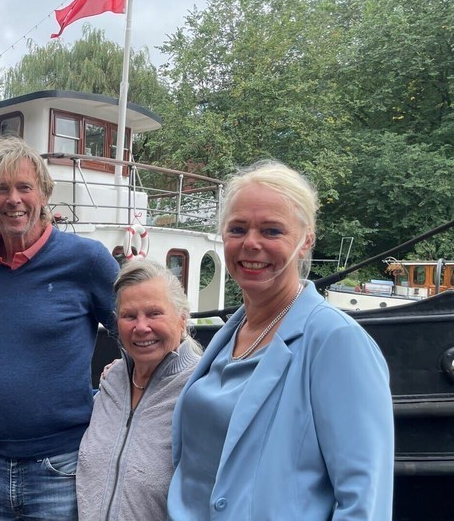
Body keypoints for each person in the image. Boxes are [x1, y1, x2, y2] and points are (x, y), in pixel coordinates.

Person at [167, 160, 394, 519]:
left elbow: (365, 502)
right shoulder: (230, 336)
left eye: (272, 231)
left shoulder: (336, 341)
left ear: (306, 241)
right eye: (237, 229)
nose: (251, 243)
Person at [0, 137, 119, 519]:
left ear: (43, 193)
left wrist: (121, 376)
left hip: (59, 467)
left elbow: (138, 330)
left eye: (24, 187)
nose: (14, 199)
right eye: (1, 189)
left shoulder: (86, 260)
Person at [76, 259, 201, 521]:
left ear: (182, 318)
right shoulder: (112, 382)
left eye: (154, 313)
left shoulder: (201, 390)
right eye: (129, 316)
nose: (141, 327)